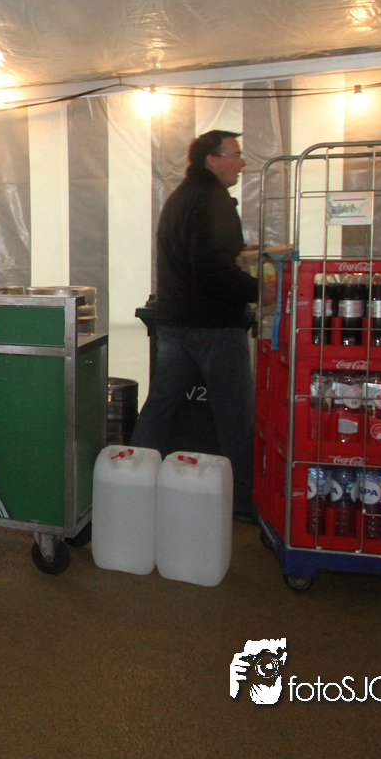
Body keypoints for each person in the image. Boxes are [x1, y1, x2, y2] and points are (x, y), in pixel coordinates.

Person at [132, 130, 261, 522]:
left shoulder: (181, 197)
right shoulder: (212, 199)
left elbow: (197, 257)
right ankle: (243, 502)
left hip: (175, 322)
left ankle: (131, 481)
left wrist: (239, 255)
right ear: (211, 159)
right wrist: (259, 290)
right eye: (235, 155)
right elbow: (211, 269)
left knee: (159, 407)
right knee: (234, 415)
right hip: (213, 325)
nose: (241, 162)